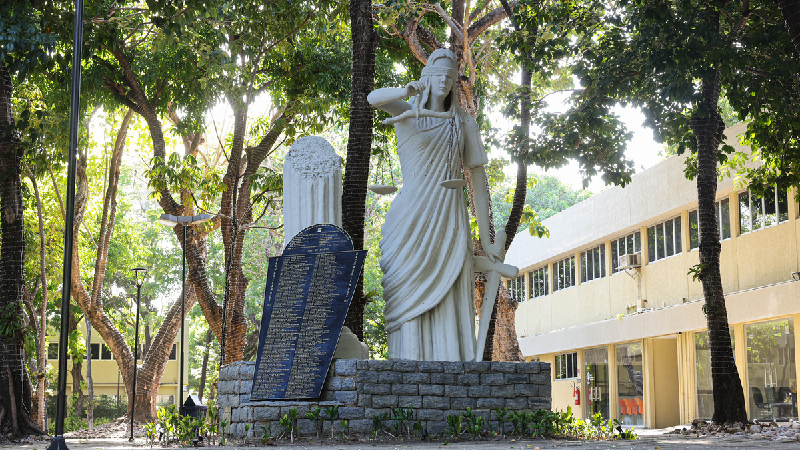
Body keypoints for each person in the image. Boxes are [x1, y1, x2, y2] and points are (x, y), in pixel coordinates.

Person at [367, 48, 499, 361]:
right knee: (407, 294)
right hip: (411, 218)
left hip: (449, 217)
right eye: (438, 76)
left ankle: (452, 363)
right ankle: (409, 365)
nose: (444, 82)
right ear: (427, 78)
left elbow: (478, 183)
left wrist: (486, 238)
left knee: (452, 289)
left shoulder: (464, 123)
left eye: (450, 78)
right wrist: (407, 89)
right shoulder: (405, 111)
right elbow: (374, 98)